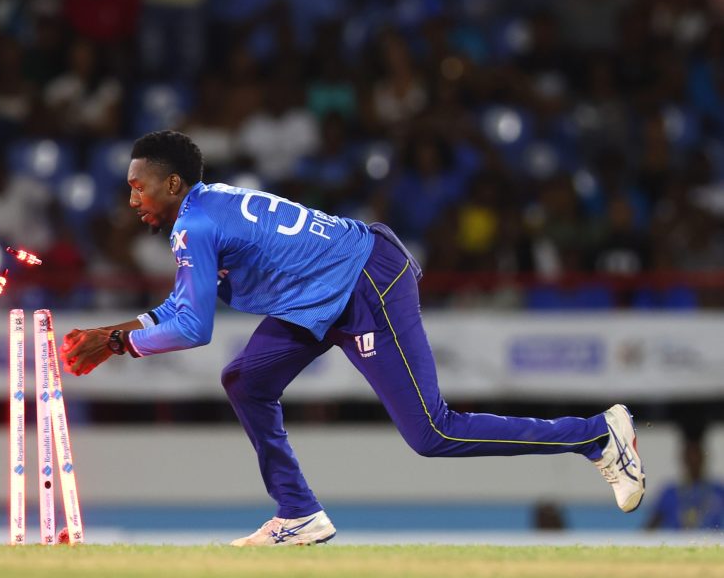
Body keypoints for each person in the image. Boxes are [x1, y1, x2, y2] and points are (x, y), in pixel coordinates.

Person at [60, 130, 646, 546]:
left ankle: (598, 436)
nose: (132, 199)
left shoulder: (195, 224)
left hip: (365, 283)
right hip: (321, 293)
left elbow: (192, 327)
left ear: (174, 183)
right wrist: (119, 333)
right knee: (246, 379)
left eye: (140, 187)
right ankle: (299, 514)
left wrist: (116, 343)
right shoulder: (207, 209)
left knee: (432, 432)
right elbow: (182, 307)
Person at [646, 433, 724, 530]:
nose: (694, 461)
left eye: (697, 457)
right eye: (690, 457)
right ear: (684, 460)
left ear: (703, 459)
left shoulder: (718, 491)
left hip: (713, 542)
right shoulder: (670, 493)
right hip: (677, 543)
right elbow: (649, 528)